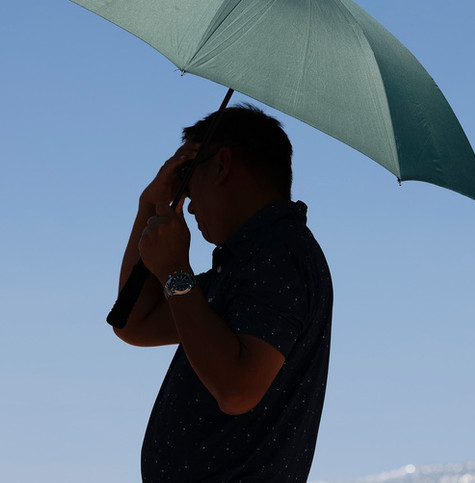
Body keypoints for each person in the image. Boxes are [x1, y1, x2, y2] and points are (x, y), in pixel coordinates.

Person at [114, 105, 333, 482]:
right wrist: (149, 208)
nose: (189, 202)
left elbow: (237, 389)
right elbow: (135, 322)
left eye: (186, 177)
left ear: (220, 165)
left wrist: (175, 271)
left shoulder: (280, 252)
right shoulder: (244, 262)